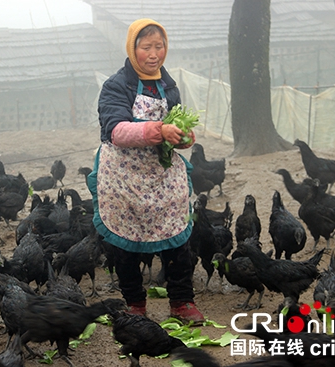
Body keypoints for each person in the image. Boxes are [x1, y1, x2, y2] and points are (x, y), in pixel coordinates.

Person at [87, 18, 204, 322]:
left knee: (177, 235)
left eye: (160, 46)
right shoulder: (116, 85)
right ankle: (135, 304)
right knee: (126, 241)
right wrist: (159, 130)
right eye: (147, 47)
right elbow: (116, 130)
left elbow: (176, 129)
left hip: (162, 175)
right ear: (132, 48)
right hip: (124, 177)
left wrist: (183, 137)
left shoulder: (169, 86)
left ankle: (181, 301)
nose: (154, 54)